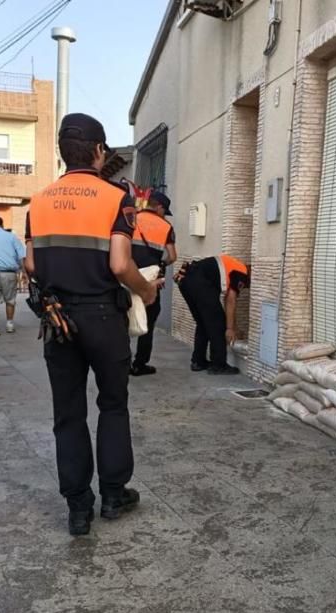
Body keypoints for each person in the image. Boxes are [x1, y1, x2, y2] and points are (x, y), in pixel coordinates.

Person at [24, 113, 160, 536]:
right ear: (99, 151)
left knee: (67, 413)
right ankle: (115, 494)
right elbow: (121, 263)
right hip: (103, 317)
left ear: (65, 152)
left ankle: (78, 507)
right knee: (113, 405)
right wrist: (148, 290)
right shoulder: (114, 197)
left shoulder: (40, 200)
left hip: (58, 319)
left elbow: (30, 263)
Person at [177, 254, 250, 375]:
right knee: (218, 323)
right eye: (246, 286)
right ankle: (218, 365)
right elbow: (230, 300)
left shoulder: (233, 265)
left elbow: (228, 302)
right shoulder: (241, 272)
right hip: (200, 283)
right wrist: (229, 329)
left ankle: (198, 361)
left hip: (186, 280)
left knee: (203, 323)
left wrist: (234, 327)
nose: (244, 288)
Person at [130, 191, 177, 376]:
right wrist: (160, 265)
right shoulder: (165, 226)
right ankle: (139, 364)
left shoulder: (130, 218)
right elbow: (172, 256)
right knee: (148, 321)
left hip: (127, 276)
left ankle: (122, 363)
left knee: (121, 318)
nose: (164, 215)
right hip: (151, 281)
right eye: (164, 211)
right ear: (159, 207)